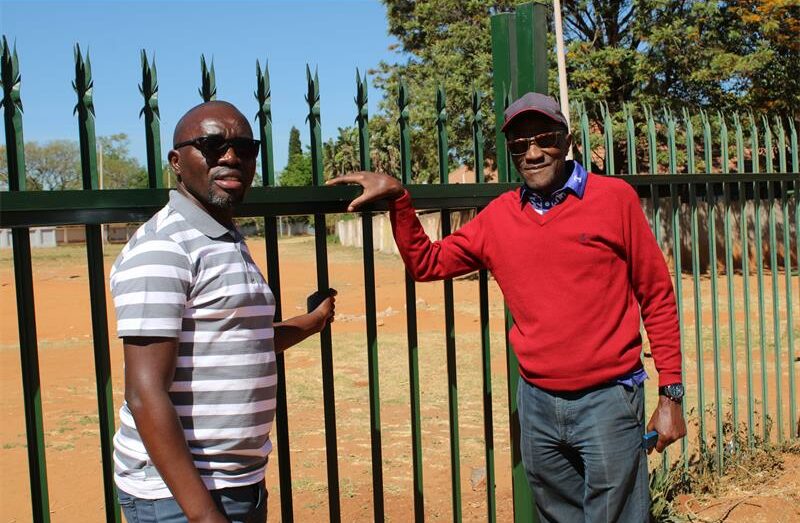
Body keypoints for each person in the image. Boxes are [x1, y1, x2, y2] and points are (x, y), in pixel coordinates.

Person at [328, 92, 686, 522]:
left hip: (608, 398)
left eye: (545, 139)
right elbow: (428, 263)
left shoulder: (614, 199)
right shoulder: (499, 218)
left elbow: (657, 295)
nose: (533, 152)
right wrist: (399, 200)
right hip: (537, 403)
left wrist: (672, 394)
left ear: (566, 139)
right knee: (558, 516)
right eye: (519, 144)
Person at [110, 101, 335, 523]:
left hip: (236, 482)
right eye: (212, 145)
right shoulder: (164, 247)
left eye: (244, 148)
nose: (231, 157)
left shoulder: (223, 236)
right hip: (180, 496)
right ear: (177, 162)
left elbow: (242, 338)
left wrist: (313, 321)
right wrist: (204, 516)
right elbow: (144, 393)